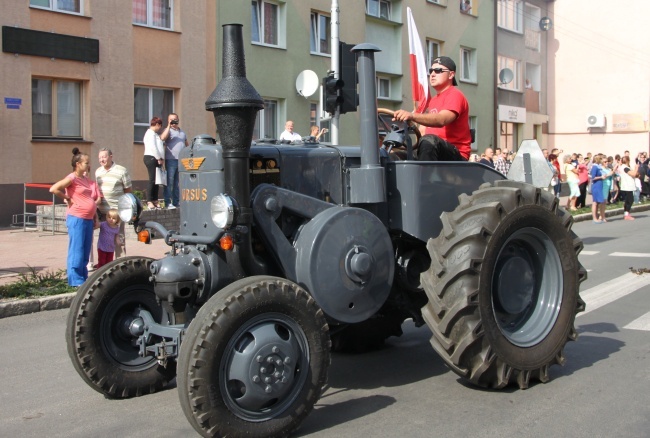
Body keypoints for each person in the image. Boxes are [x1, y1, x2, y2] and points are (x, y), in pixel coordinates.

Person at [392, 56, 471, 161]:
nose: (432, 74)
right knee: (392, 157)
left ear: (451, 74)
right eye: (431, 71)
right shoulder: (433, 101)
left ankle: (425, 177)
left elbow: (441, 120)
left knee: (429, 140)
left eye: (438, 70)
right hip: (432, 149)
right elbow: (423, 132)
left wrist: (412, 116)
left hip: (455, 155)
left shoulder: (455, 95)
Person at [49, 148, 98, 287]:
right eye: (86, 163)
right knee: (77, 249)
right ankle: (75, 280)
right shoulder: (72, 178)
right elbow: (54, 189)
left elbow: (90, 198)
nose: (88, 165)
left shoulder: (85, 179)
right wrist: (67, 198)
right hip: (77, 218)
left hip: (88, 219)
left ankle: (82, 277)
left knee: (85, 249)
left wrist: (95, 217)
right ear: (78, 164)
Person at [95, 147, 132, 258]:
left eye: (104, 157)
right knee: (105, 238)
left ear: (111, 156)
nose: (102, 159)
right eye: (100, 157)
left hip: (117, 212)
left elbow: (128, 190)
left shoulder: (121, 170)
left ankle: (121, 262)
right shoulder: (98, 171)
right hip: (103, 212)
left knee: (119, 237)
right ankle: (106, 262)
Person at [160, 113, 188, 210]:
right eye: (171, 120)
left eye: (175, 119)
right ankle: (168, 202)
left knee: (177, 183)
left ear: (178, 119)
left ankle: (176, 202)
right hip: (171, 160)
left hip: (181, 161)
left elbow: (187, 145)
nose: (173, 121)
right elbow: (162, 138)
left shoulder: (182, 132)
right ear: (168, 121)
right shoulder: (168, 131)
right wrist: (168, 125)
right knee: (169, 182)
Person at [143, 117, 165, 210]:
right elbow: (153, 147)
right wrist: (158, 157)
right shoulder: (150, 134)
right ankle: (149, 201)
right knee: (152, 179)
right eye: (159, 126)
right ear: (156, 124)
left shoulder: (154, 134)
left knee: (157, 180)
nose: (159, 128)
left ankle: (155, 200)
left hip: (156, 158)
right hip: (151, 157)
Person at [590, 155, 611, 223]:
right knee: (595, 202)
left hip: (599, 185)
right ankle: (594, 218)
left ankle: (597, 217)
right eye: (601, 159)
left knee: (597, 202)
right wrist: (601, 177)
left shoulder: (598, 167)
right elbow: (593, 177)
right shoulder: (595, 167)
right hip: (596, 185)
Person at [618, 155, 639, 220]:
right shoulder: (625, 168)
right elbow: (633, 174)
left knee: (628, 200)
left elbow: (635, 174)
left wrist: (636, 173)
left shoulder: (626, 167)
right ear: (628, 161)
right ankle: (626, 214)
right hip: (628, 186)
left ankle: (626, 213)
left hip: (627, 186)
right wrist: (636, 168)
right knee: (630, 200)